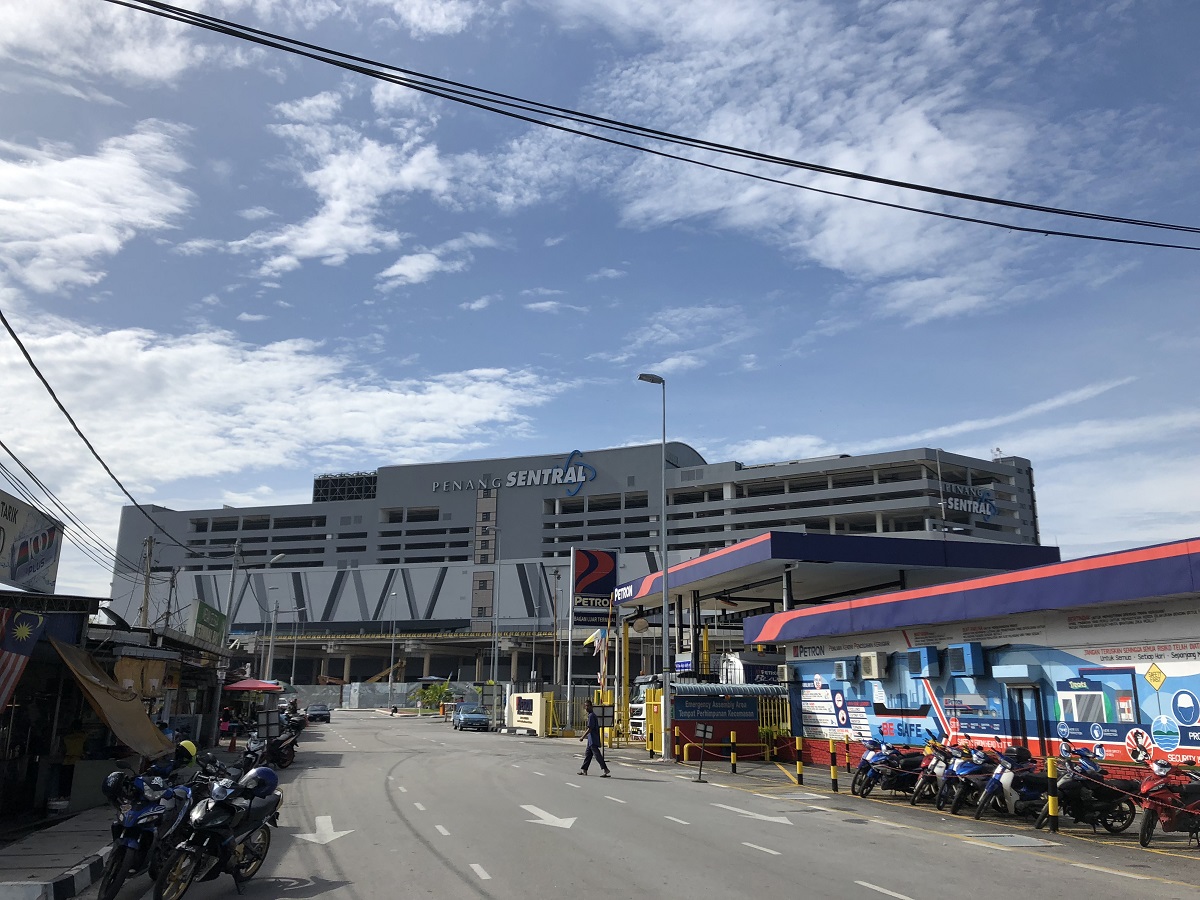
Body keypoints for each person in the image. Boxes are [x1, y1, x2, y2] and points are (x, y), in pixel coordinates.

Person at [577, 700, 610, 777]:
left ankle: (605, 769)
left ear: (591, 706)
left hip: (593, 739)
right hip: (591, 739)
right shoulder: (591, 715)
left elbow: (590, 729)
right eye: (586, 706)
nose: (586, 707)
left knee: (597, 755)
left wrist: (582, 737)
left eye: (588, 706)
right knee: (588, 755)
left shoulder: (591, 716)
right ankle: (584, 770)